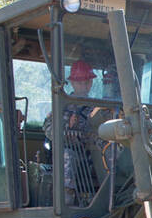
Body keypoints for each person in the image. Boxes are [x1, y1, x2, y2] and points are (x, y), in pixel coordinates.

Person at [43, 60, 114, 204]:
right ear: (73, 83)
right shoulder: (61, 106)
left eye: (87, 81)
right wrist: (66, 127)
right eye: (80, 82)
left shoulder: (97, 107)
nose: (84, 85)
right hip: (70, 151)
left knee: (112, 150)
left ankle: (114, 196)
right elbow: (49, 130)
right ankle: (66, 202)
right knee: (68, 156)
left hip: (93, 150)